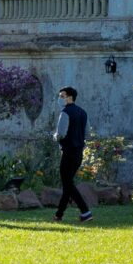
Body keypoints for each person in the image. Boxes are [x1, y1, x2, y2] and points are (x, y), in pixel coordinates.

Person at [53, 85, 92, 223]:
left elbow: (61, 134)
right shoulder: (83, 113)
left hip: (68, 152)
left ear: (70, 97)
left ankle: (85, 211)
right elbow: (88, 134)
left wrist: (54, 136)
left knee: (68, 184)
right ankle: (59, 215)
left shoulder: (65, 112)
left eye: (62, 96)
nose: (60, 99)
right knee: (67, 184)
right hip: (78, 153)